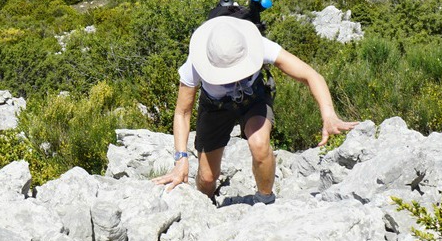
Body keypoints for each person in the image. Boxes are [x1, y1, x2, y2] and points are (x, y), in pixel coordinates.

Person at [153, 14, 356, 201]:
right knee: (207, 177)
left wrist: (329, 115)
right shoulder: (194, 64)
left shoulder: (260, 45)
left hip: (254, 98)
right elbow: (182, 112)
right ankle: (205, 205)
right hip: (215, 107)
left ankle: (265, 201)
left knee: (259, 145)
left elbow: (311, 75)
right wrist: (181, 159)